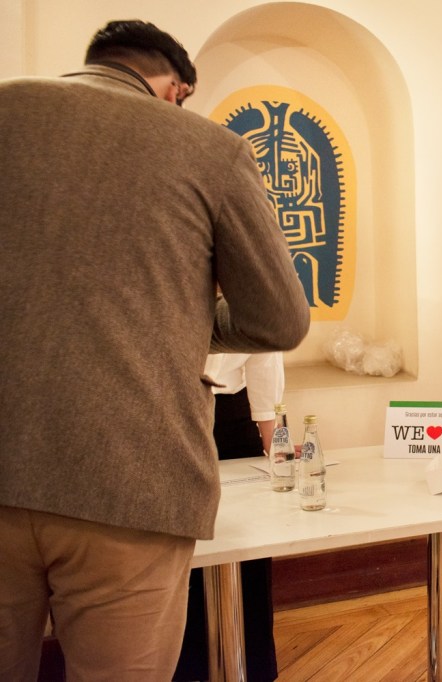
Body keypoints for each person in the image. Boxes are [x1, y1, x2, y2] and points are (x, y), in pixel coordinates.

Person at [0, 20, 310, 681]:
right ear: (176, 89)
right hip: (128, 478)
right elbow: (279, 319)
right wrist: (178, 320)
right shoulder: (209, 149)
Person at [174, 351, 285, 682]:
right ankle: (184, 667)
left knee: (247, 539)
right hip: (169, 411)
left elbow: (265, 357)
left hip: (233, 416)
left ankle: (252, 667)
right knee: (179, 546)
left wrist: (274, 446)